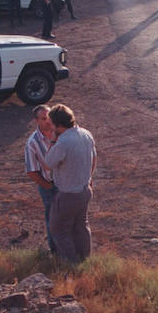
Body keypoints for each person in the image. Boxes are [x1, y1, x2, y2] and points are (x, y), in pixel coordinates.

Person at [42, 104, 97, 263]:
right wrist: (89, 177)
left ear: (59, 125)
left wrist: (52, 141)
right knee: (81, 226)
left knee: (58, 229)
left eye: (52, 124)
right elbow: (94, 158)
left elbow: (47, 164)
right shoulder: (86, 134)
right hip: (84, 190)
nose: (50, 127)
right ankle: (84, 259)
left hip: (68, 195)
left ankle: (72, 263)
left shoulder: (63, 142)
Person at [24, 104, 57, 253]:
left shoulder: (61, 132)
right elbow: (31, 171)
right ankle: (55, 252)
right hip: (49, 185)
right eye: (44, 119)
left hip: (67, 183)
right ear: (36, 121)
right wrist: (48, 187)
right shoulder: (32, 143)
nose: (48, 121)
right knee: (52, 220)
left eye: (49, 117)